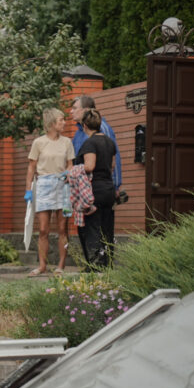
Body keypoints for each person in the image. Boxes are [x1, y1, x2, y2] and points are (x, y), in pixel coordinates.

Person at [24, 108, 75, 276]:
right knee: (44, 229)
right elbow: (31, 167)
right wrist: (28, 190)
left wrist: (68, 173)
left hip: (62, 185)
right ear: (52, 123)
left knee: (62, 228)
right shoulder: (39, 142)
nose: (64, 123)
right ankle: (42, 266)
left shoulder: (67, 142)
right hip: (44, 184)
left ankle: (60, 266)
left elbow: (70, 164)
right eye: (61, 120)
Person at [74, 108, 117, 268]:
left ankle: (95, 266)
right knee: (107, 229)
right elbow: (112, 166)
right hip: (109, 190)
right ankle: (108, 264)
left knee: (92, 229)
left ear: (84, 125)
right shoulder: (109, 142)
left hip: (94, 191)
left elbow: (90, 166)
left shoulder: (90, 142)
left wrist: (73, 170)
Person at [70, 95, 122, 192]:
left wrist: (115, 186)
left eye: (75, 108)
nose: (71, 111)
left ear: (86, 110)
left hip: (100, 188)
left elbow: (112, 158)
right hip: (83, 189)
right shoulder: (78, 134)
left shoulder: (102, 128)